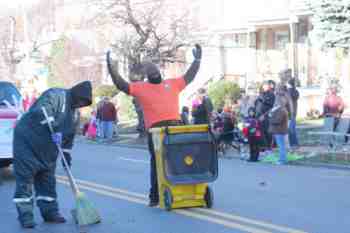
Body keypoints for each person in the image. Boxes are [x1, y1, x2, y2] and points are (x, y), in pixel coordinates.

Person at [106, 44, 202, 207]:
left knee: (158, 162)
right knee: (176, 160)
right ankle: (163, 193)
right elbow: (190, 76)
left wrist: (112, 68)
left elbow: (121, 84)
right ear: (159, 75)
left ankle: (156, 196)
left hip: (160, 130)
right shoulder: (169, 84)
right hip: (171, 129)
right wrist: (197, 60)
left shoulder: (146, 87)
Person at [12, 81, 92, 228]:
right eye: (81, 100)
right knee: (26, 180)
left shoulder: (75, 114)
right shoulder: (56, 94)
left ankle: (50, 213)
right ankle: (26, 216)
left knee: (47, 181)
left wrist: (66, 156)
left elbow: (69, 139)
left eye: (84, 103)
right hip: (28, 141)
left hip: (48, 148)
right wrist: (52, 123)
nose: (81, 104)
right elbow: (41, 109)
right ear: (76, 93)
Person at [268, 93, 289, 165]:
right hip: (279, 130)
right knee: (281, 145)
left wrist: (270, 118)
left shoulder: (281, 110)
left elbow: (277, 120)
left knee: (281, 146)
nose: (275, 102)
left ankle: (282, 160)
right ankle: (283, 159)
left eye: (277, 101)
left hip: (280, 131)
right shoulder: (279, 109)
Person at [255, 81, 275, 153]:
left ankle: (269, 148)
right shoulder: (261, 94)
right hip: (258, 116)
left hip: (266, 116)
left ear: (269, 86)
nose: (264, 87)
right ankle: (262, 147)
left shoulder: (271, 94)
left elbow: (271, 107)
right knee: (259, 132)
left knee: (267, 132)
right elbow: (257, 105)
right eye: (263, 85)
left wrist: (264, 115)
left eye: (266, 85)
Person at [287, 78, 300, 148]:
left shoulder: (294, 91)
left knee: (292, 129)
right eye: (295, 82)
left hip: (292, 113)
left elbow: (295, 96)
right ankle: (293, 143)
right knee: (291, 129)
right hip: (290, 113)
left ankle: (294, 143)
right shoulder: (290, 91)